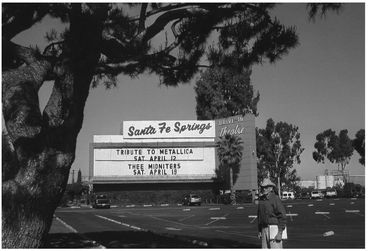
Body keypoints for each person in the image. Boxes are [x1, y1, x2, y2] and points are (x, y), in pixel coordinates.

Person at [257, 178, 287, 249]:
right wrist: (259, 230)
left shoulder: (275, 198)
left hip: (274, 229)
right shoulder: (261, 200)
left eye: (266, 187)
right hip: (264, 229)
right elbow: (259, 216)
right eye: (262, 187)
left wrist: (280, 233)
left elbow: (282, 216)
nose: (264, 189)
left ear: (271, 188)